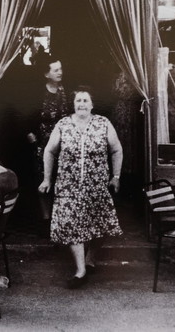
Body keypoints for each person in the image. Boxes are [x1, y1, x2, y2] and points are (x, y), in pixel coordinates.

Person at [39, 86, 123, 289]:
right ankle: (80, 271)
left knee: (100, 224)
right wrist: (47, 179)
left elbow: (116, 149)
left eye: (85, 100)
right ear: (73, 104)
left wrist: (116, 176)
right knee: (72, 225)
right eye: (78, 101)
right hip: (68, 186)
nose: (82, 104)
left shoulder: (103, 123)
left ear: (92, 104)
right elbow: (49, 151)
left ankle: (90, 258)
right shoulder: (63, 124)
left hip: (96, 185)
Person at [27, 55, 70, 222]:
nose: (60, 72)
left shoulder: (63, 90)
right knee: (43, 177)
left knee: (60, 177)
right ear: (47, 74)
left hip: (61, 140)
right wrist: (29, 133)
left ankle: (59, 218)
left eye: (61, 69)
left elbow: (66, 115)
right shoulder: (37, 91)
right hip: (42, 141)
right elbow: (26, 114)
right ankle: (45, 218)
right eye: (56, 70)